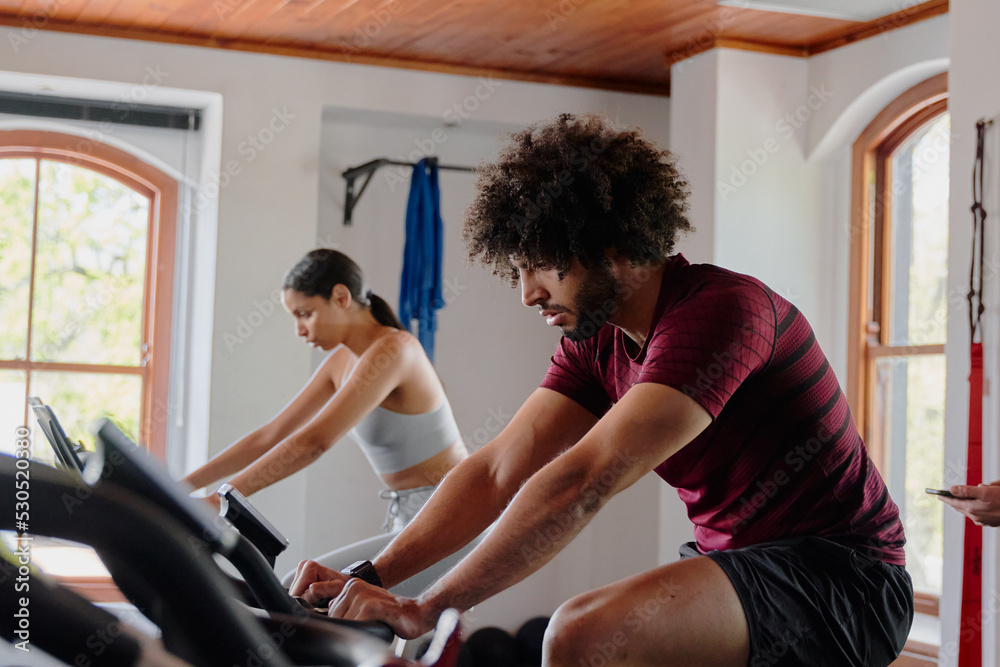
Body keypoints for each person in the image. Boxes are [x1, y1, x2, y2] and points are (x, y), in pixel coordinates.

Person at [289, 114, 914, 667]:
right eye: (519, 269)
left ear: (609, 245)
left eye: (540, 265)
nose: (528, 293)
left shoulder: (722, 313)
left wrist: (428, 608)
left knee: (580, 636)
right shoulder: (600, 342)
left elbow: (584, 480)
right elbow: (496, 470)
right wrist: (368, 577)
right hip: (741, 564)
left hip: (845, 577)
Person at [183, 248, 468, 538]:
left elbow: (313, 443)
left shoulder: (395, 349)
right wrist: (182, 487)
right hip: (409, 514)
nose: (299, 330)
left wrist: (220, 499)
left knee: (306, 583)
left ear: (341, 297)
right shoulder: (340, 362)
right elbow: (270, 435)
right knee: (309, 583)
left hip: (455, 510)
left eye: (305, 314)